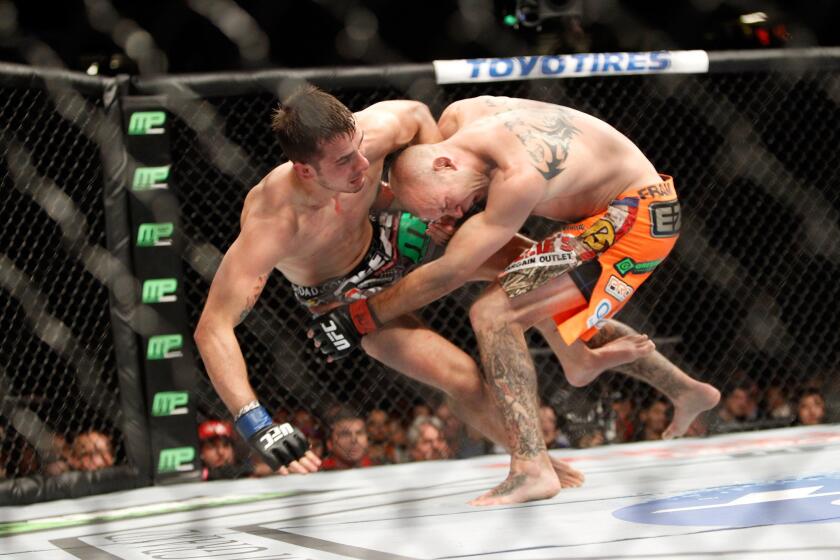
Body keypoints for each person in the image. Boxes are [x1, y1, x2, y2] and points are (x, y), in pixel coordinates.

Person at [310, 95, 721, 505]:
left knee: (494, 311)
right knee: (535, 295)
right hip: (609, 211)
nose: (447, 214)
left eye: (442, 206)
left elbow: (451, 271)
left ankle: (532, 467)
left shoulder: (517, 174)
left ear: (445, 164)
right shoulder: (459, 120)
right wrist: (442, 217)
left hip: (637, 215)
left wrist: (357, 318)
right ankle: (683, 390)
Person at [195, 86, 585, 486]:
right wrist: (256, 423)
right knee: (462, 376)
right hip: (344, 296)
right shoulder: (275, 222)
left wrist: (436, 192)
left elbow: (417, 113)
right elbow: (213, 327)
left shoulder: (374, 131)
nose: (363, 164)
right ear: (305, 170)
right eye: (344, 161)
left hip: (392, 235)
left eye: (359, 148)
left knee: (535, 264)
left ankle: (580, 354)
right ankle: (533, 460)